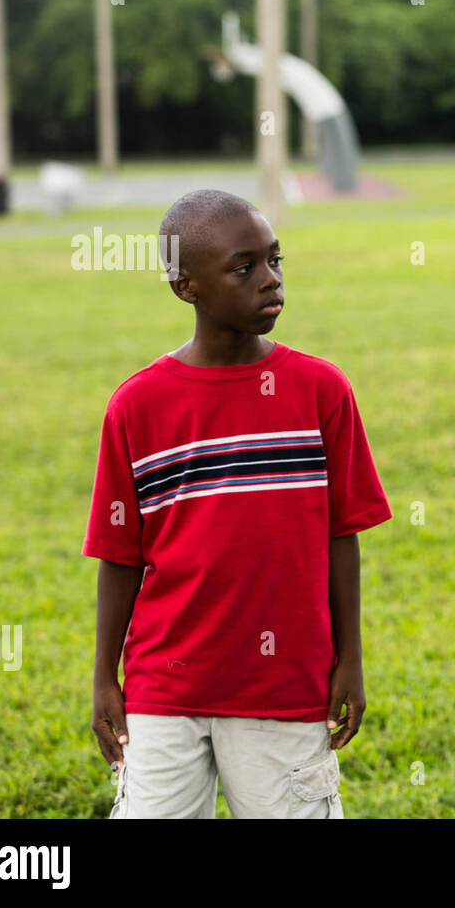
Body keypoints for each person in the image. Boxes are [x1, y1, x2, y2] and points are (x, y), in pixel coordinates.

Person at [83, 189, 391, 818]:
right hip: (165, 686)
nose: (271, 280)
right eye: (243, 267)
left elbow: (342, 537)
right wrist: (103, 677)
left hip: (283, 688)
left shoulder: (320, 391)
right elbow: (119, 555)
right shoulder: (138, 405)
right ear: (184, 285)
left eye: (276, 260)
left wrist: (350, 660)